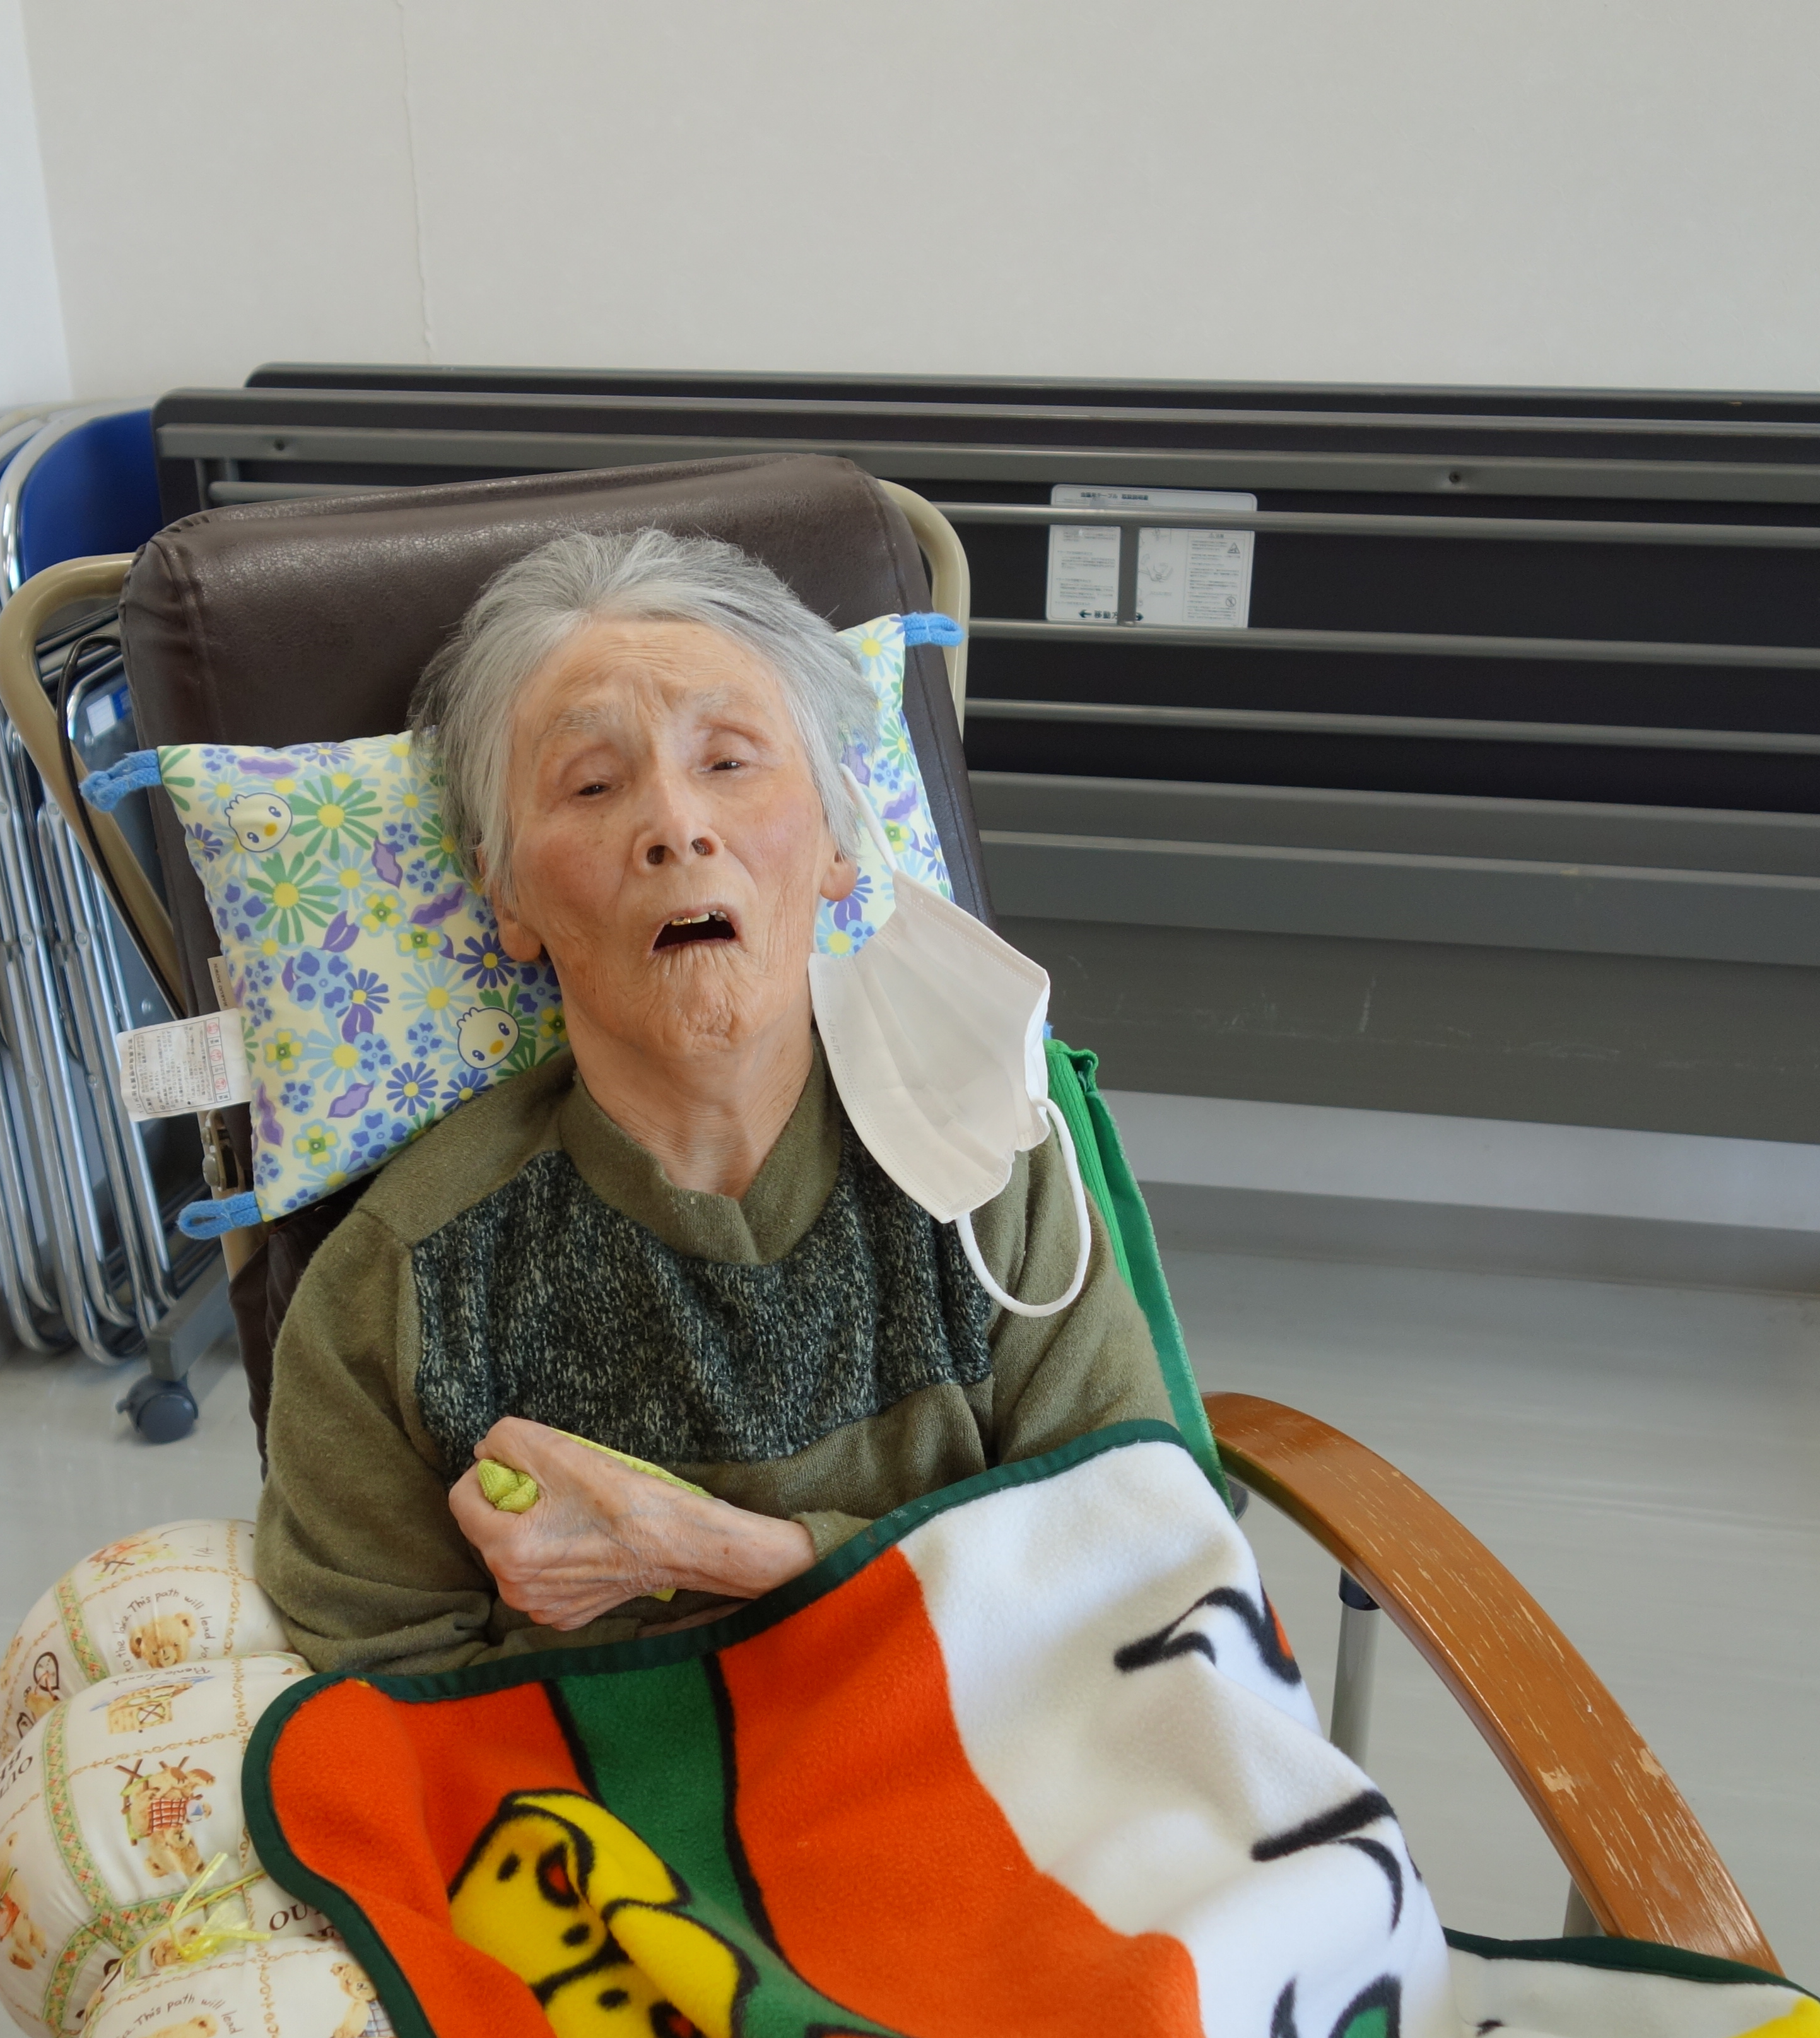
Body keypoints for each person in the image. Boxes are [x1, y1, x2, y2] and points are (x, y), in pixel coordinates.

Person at [253, 530, 1166, 1676]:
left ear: (835, 838)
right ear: (507, 896)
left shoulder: (983, 1153)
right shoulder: (400, 1282)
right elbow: (387, 1694)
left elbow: (1141, 1551)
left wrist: (729, 1556)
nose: (676, 826)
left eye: (730, 761)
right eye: (592, 784)